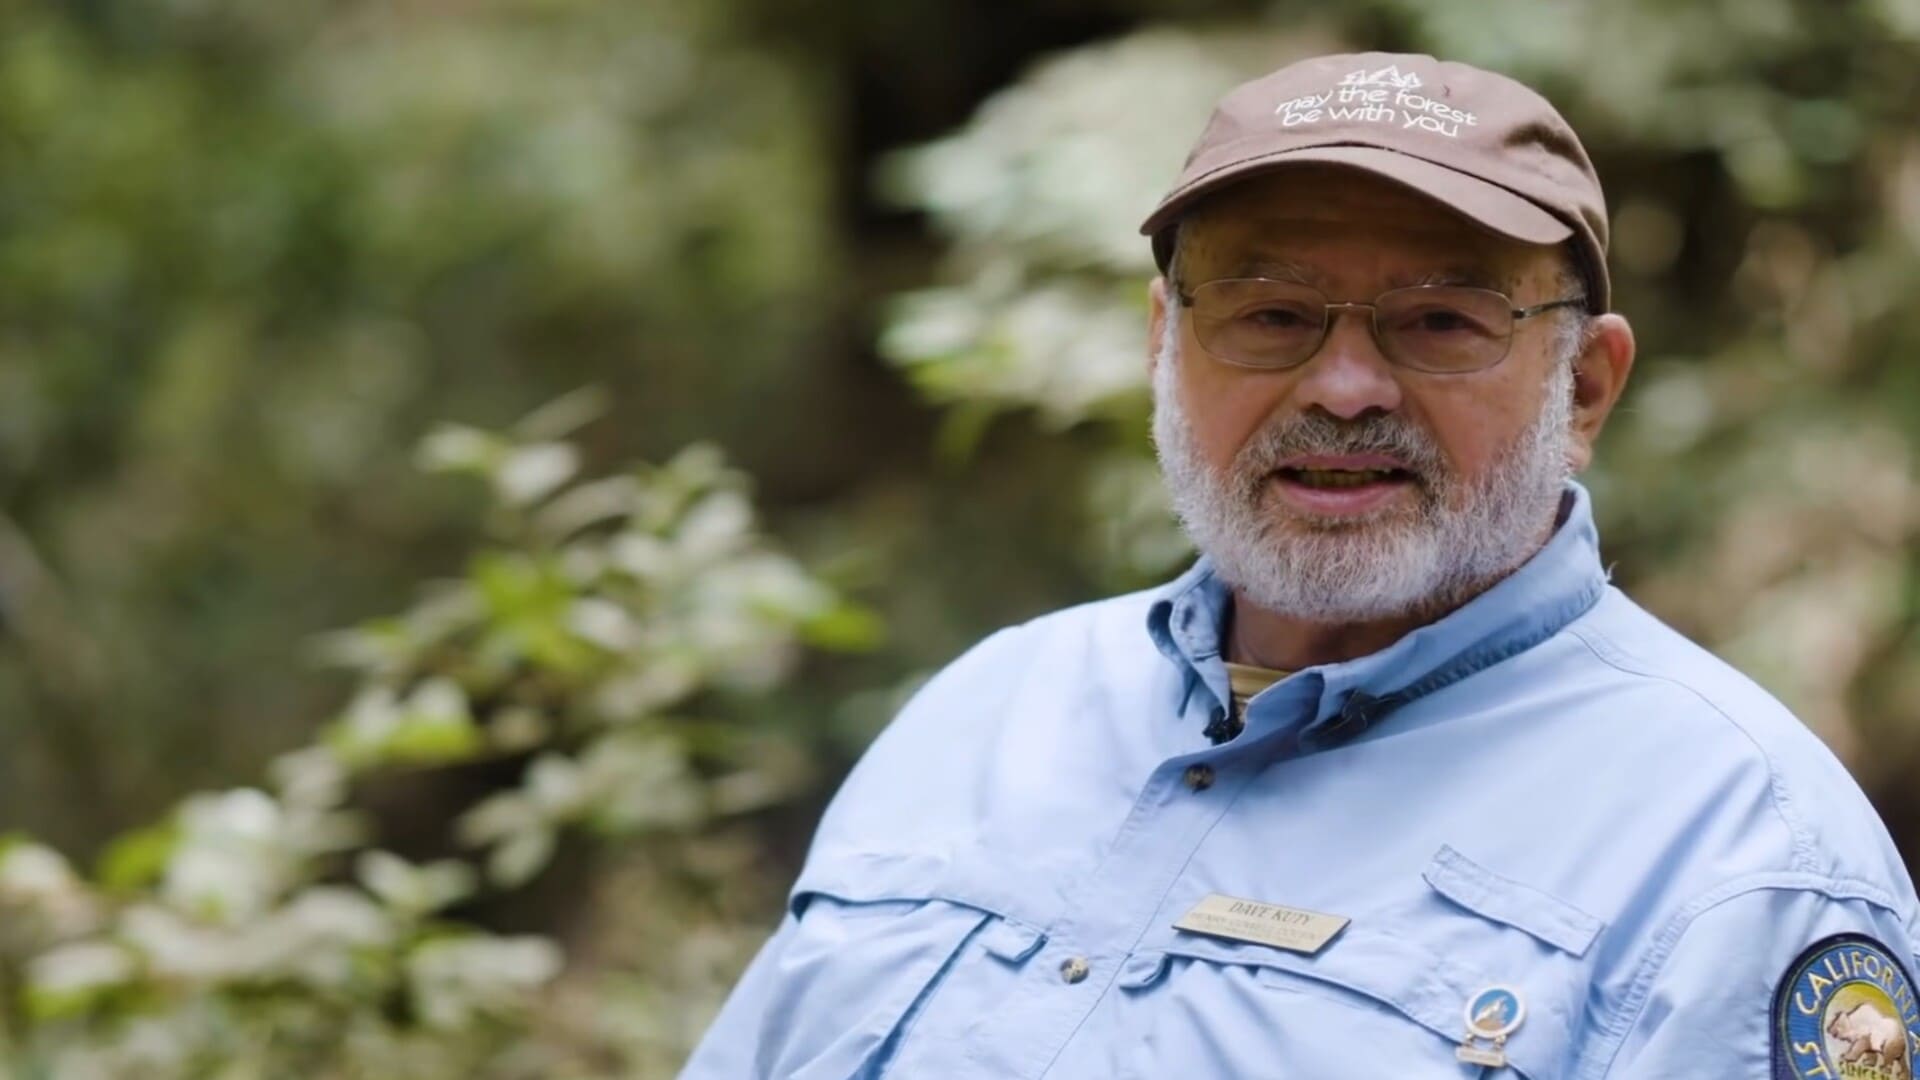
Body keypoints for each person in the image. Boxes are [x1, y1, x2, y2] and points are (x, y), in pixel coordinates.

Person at [680, 51, 1920, 1079]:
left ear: (1583, 388)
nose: (1343, 386)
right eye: (1271, 313)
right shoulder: (987, 712)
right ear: (1167, 344)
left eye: (1442, 320)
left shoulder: (1738, 865)